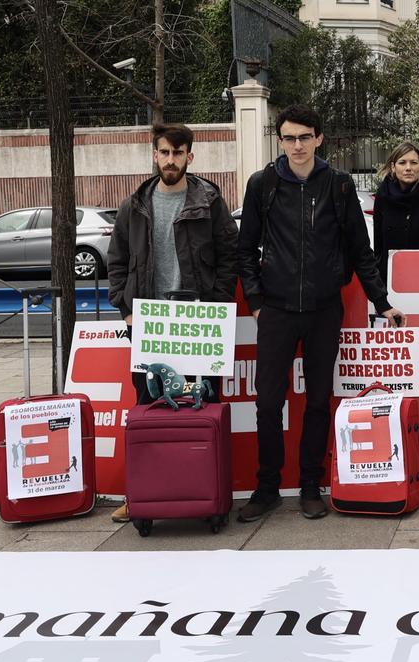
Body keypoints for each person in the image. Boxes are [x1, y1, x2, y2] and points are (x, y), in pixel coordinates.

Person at [236, 104, 405, 522]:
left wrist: (381, 301)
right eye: (290, 138)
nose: (297, 145)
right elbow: (244, 252)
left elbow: (360, 252)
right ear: (280, 141)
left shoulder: (340, 185)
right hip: (274, 309)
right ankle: (267, 486)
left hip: (323, 309)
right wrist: (255, 302)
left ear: (319, 139)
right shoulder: (262, 184)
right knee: (268, 403)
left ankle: (311, 485)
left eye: (304, 137)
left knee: (316, 401)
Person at [106, 122, 239, 523]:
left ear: (189, 157)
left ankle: (209, 492)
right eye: (164, 152)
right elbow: (117, 260)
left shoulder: (209, 200)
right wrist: (125, 309)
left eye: (177, 154)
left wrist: (215, 307)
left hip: (197, 322)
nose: (170, 160)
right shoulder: (135, 205)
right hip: (149, 321)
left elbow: (229, 256)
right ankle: (142, 497)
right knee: (148, 407)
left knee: (204, 406)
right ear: (154, 154)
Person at [372, 141, 419, 277]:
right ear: (393, 167)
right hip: (389, 279)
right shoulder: (383, 196)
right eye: (402, 162)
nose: (408, 168)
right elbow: (379, 243)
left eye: (414, 163)